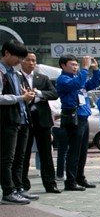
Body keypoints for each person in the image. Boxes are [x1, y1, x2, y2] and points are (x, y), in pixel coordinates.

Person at [56, 54, 100, 191]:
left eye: (77, 65)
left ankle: (80, 177)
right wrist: (85, 68)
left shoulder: (79, 78)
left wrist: (96, 69)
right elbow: (76, 84)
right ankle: (70, 181)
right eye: (72, 65)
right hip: (73, 117)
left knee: (82, 151)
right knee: (74, 151)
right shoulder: (63, 80)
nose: (75, 67)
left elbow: (94, 83)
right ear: (63, 66)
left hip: (83, 117)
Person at [19, 51, 60, 194]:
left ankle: (50, 183)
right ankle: (22, 184)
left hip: (42, 120)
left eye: (34, 60)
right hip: (25, 120)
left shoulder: (42, 78)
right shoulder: (16, 77)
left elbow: (54, 94)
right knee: (23, 153)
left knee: (46, 154)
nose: (31, 63)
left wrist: (38, 93)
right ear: (21, 61)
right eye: (28, 60)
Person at [0, 40, 35, 205]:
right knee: (7, 158)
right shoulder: (1, 72)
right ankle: (8, 191)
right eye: (18, 57)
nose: (20, 61)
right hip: (7, 120)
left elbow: (21, 96)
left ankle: (18, 188)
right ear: (6, 53)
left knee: (19, 157)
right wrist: (21, 97)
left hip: (21, 118)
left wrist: (26, 96)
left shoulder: (15, 73)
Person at [49, 98, 68, 182]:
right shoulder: (51, 101)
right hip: (58, 127)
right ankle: (60, 174)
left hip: (65, 127)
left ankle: (61, 173)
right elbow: (53, 114)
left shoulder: (61, 99)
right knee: (62, 152)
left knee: (64, 152)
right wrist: (64, 113)